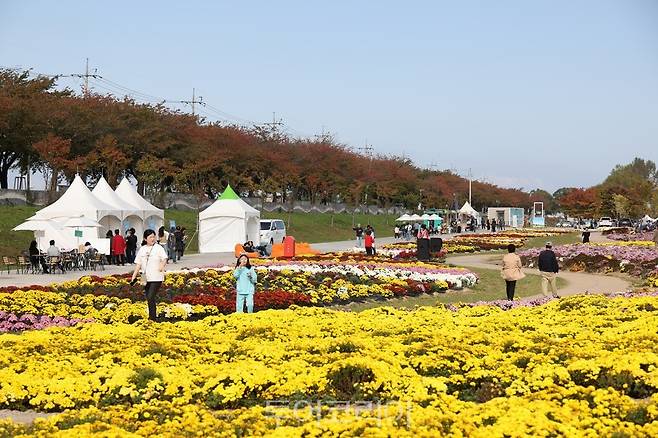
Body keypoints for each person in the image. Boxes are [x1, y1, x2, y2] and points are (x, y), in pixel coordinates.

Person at [130, 229, 168, 321]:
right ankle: (152, 316)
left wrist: (161, 266)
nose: (152, 239)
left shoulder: (158, 248)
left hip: (156, 276)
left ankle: (152, 318)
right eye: (150, 237)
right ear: (145, 238)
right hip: (144, 276)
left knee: (151, 296)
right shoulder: (142, 249)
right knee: (148, 297)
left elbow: (164, 258)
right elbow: (138, 264)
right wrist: (134, 276)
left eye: (153, 236)